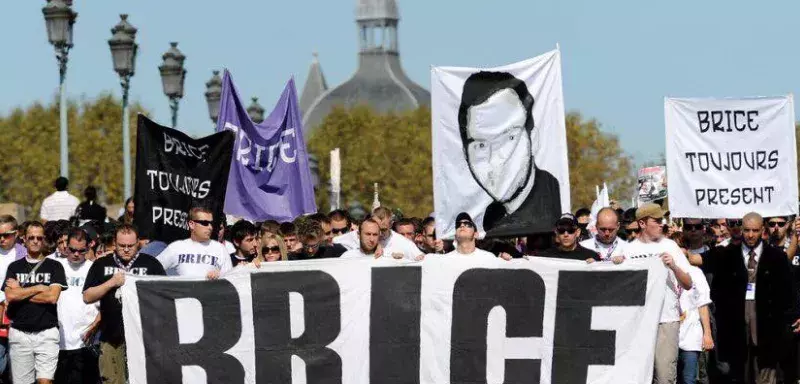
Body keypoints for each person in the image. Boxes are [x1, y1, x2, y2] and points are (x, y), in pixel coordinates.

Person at [688, 212, 800, 384]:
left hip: (767, 329)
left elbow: (789, 290)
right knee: (739, 375)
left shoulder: (775, 257)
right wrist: (673, 249)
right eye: (747, 230)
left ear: (762, 230)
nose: (750, 235)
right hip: (736, 330)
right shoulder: (726, 254)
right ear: (741, 230)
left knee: (766, 376)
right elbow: (696, 259)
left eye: (755, 230)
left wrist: (796, 314)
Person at [457, 71, 561, 237]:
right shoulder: (492, 215)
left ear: (533, 139)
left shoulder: (553, 206)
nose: (495, 160)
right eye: (481, 145)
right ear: (466, 155)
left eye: (509, 138)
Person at [83, 224, 166, 384]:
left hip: (143, 336)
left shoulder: (151, 264)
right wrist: (111, 283)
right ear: (114, 243)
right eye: (122, 246)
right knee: (112, 380)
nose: (126, 250)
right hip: (111, 336)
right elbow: (87, 297)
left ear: (138, 243)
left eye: (130, 246)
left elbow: (165, 295)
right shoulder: (101, 264)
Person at [622, 203, 693, 384]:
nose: (662, 224)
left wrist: (674, 266)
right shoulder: (628, 250)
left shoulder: (670, 246)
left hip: (666, 320)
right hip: (638, 321)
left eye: (662, 220)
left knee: (664, 377)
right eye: (657, 220)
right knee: (638, 377)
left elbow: (688, 283)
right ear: (642, 223)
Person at [3, 221, 68, 384]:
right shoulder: (14, 267)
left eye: (39, 238)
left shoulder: (55, 266)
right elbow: (10, 296)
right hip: (20, 333)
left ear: (44, 239)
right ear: (24, 239)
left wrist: (20, 291)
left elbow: (52, 297)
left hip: (47, 332)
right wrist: (38, 288)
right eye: (31, 237)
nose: (35, 241)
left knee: (45, 381)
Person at [54, 228, 100, 384]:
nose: (76, 254)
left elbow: (106, 304)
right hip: (58, 341)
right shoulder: (55, 266)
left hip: (85, 341)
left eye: (81, 251)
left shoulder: (95, 268)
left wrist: (95, 326)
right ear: (66, 246)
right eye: (72, 249)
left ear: (88, 247)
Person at [157, 207, 233, 279]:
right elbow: (153, 268)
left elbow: (231, 278)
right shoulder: (176, 247)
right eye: (205, 223)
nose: (210, 227)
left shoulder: (220, 249)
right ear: (191, 224)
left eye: (211, 223)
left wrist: (220, 275)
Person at [334, 207, 423, 260]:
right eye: (375, 229)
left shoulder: (403, 243)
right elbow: (332, 241)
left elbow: (422, 260)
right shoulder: (358, 234)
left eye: (383, 230)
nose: (378, 233)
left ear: (391, 224)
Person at [677, 265, 713, 384]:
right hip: (667, 335)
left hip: (690, 335)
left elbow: (702, 304)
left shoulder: (696, 273)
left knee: (689, 379)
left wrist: (707, 333)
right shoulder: (662, 269)